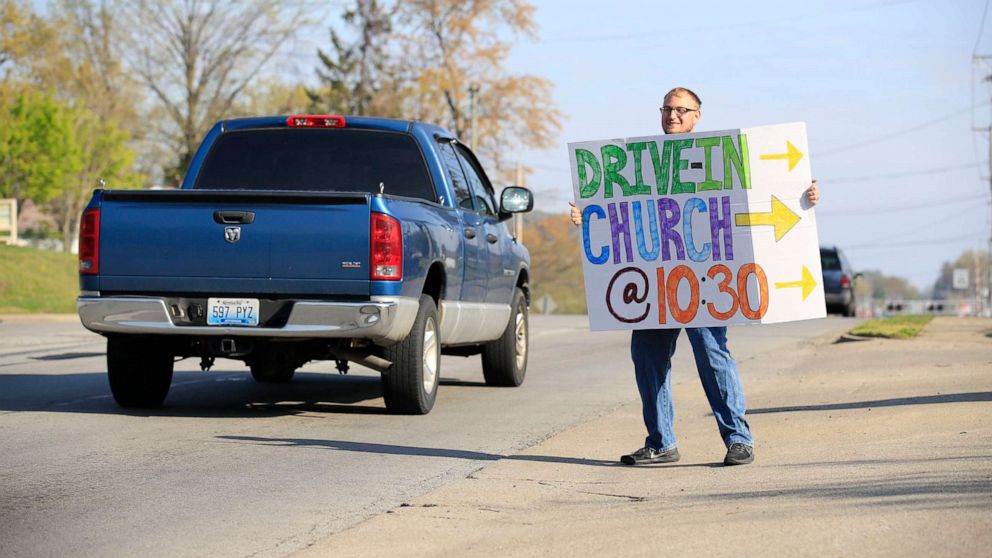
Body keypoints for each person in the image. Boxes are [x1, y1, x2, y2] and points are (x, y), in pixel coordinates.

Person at [569, 87, 820, 466]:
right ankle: (660, 442)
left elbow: (768, 190)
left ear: (698, 115)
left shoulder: (718, 157)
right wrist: (586, 218)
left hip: (705, 280)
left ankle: (739, 439)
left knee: (712, 355)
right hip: (658, 284)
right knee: (647, 358)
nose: (673, 116)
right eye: (667, 109)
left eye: (682, 110)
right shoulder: (644, 164)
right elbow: (621, 217)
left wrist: (805, 196)